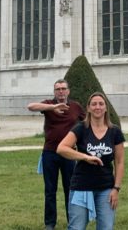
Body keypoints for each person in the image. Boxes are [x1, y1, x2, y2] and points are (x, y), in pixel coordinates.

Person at [57, 92, 125, 230]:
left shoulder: (115, 131)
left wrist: (116, 189)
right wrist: (85, 157)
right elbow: (61, 148)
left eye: (101, 104)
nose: (97, 107)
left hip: (106, 188)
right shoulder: (81, 128)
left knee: (106, 227)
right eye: (93, 104)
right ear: (88, 108)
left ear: (106, 108)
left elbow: (120, 162)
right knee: (77, 227)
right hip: (81, 186)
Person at [27, 79, 86, 230]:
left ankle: (72, 221)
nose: (60, 91)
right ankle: (50, 223)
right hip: (50, 153)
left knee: (70, 189)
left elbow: (87, 123)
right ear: (54, 92)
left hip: (68, 154)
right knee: (50, 190)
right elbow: (31, 106)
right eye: (58, 89)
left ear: (68, 91)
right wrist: (52, 107)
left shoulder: (75, 107)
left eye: (63, 88)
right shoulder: (48, 104)